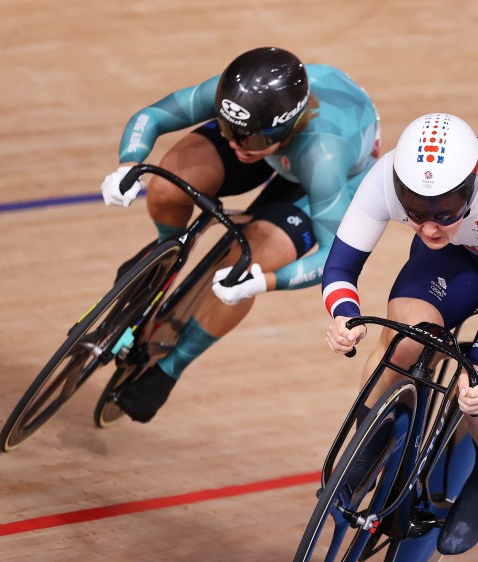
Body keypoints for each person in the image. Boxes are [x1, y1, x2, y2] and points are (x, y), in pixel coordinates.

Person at [322, 113, 478, 555]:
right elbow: (342, 266)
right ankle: (368, 443)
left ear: (472, 187)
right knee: (402, 341)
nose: (426, 228)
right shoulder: (388, 178)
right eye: (415, 214)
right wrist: (344, 315)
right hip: (458, 255)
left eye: (443, 213)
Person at [101, 47, 380, 423]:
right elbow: (151, 116)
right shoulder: (239, 100)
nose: (235, 144)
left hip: (327, 176)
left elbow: (335, 260)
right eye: (228, 129)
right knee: (168, 187)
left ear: (285, 129)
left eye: (249, 140)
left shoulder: (324, 156)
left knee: (245, 262)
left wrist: (262, 282)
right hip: (275, 147)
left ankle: (170, 369)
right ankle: (162, 261)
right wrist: (128, 163)